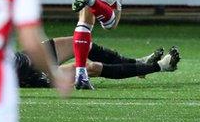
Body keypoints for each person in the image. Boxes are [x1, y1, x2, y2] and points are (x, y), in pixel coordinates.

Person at [15, 37, 181, 88]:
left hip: (26, 58)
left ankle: (138, 64)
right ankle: (159, 66)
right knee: (90, 68)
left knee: (80, 43)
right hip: (27, 76)